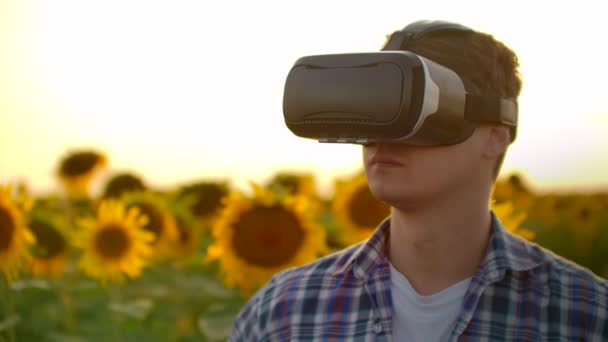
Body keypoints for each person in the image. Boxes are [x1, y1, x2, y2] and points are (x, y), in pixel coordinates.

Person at [230, 20, 608, 341]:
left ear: (496, 134)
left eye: (421, 109)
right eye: (375, 108)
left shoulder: (584, 316)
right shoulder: (282, 313)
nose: (385, 136)